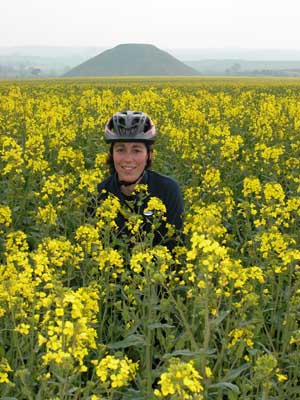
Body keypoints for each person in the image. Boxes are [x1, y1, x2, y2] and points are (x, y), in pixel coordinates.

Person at [88, 110, 184, 251]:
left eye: (136, 150)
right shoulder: (98, 195)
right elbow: (93, 252)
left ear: (149, 155)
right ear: (111, 154)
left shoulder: (167, 190)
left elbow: (176, 248)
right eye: (120, 150)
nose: (128, 159)